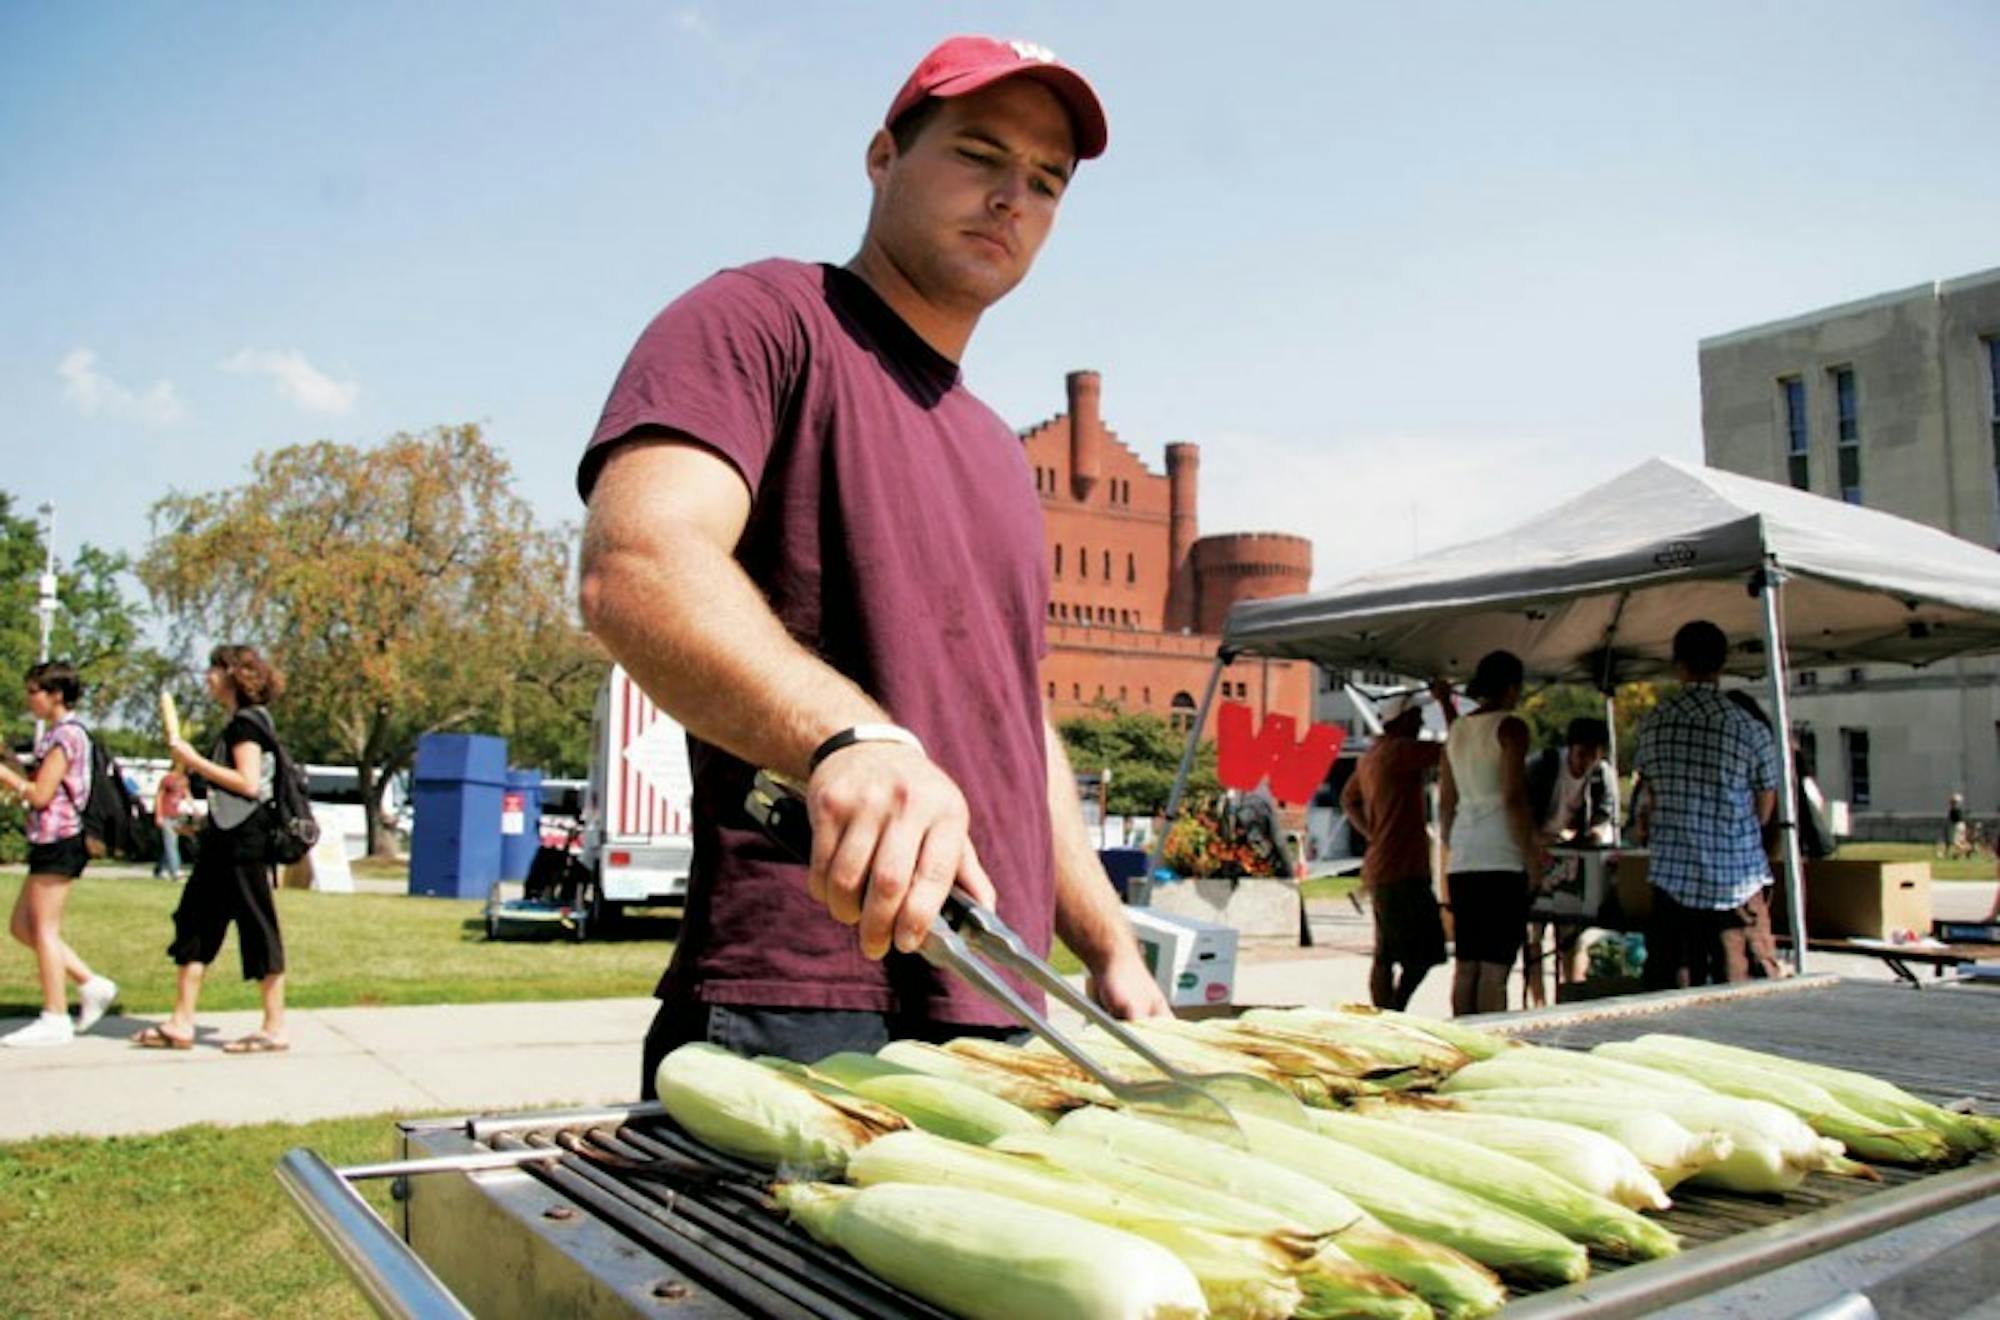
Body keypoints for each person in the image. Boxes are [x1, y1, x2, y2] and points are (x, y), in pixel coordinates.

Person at [575, 34, 1167, 1095]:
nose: (1010, 200)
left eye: (1044, 182)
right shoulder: (762, 319)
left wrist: (1110, 948)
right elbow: (639, 559)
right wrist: (845, 738)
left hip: (1008, 1006)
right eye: (978, 155)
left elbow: (1015, 725)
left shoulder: (994, 448)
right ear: (882, 157)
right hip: (804, 999)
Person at [138, 645, 290, 1052]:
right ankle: (181, 1021)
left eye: (214, 669)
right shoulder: (236, 723)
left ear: (234, 675)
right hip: (224, 838)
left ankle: (274, 1027)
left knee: (257, 926)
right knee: (195, 921)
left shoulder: (246, 724)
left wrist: (194, 760)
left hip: (246, 841)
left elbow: (248, 782)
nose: (207, 677)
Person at [1631, 621, 1780, 989]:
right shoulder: (1748, 727)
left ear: (1677, 663)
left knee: (1670, 992)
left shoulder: (1653, 724)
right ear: (1723, 663)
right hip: (1736, 882)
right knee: (1741, 986)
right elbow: (1765, 808)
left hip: (1672, 878)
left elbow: (1649, 794)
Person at [0, 661, 119, 1048]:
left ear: (55, 695)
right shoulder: (61, 734)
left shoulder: (64, 736)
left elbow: (40, 795)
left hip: (60, 839)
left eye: (34, 690)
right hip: (52, 840)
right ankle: (91, 983)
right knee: (23, 926)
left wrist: (6, 777)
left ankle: (55, 1016)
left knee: (44, 929)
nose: (29, 698)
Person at [1439, 651, 1545, 1016]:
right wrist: (1532, 857)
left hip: (1464, 857)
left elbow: (1446, 802)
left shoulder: (1456, 730)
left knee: (1467, 964)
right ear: (1512, 687)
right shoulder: (1512, 727)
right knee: (1495, 967)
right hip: (1501, 854)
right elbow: (1514, 797)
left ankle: (1459, 1038)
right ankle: (1490, 1042)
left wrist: (1455, 844)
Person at [1340, 681, 1456, 1009]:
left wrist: (1372, 832)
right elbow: (1457, 747)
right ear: (1401, 720)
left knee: (1386, 952)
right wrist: (1447, 704)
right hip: (1404, 870)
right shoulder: (1401, 751)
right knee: (1427, 951)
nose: (1421, 723)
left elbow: (1348, 800)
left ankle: (1386, 1012)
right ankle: (1395, 1008)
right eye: (1417, 716)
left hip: (1381, 866)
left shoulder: (1371, 756)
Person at [1521, 717, 1616, 1006]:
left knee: (1570, 938)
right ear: (1570, 749)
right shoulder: (1543, 766)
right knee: (1534, 938)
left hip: (1573, 856)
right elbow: (1521, 811)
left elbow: (1604, 816)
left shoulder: (1601, 775)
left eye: (1594, 755)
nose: (1586, 762)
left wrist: (1592, 835)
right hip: (1536, 853)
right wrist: (1537, 841)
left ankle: (1570, 996)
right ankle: (1537, 1001)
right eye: (1582, 754)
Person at [152, 768, 188, 881]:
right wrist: (159, 815)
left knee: (168, 844)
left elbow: (186, 795)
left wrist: (195, 809)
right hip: (166, 815)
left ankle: (160, 870)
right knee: (171, 844)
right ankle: (175, 870)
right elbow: (159, 797)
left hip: (177, 816)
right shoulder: (167, 779)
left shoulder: (184, 780)